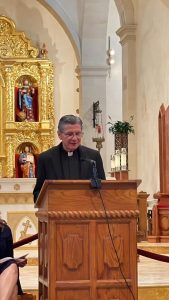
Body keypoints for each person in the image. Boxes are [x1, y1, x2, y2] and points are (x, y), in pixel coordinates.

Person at [33, 114, 106, 202]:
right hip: (57, 211)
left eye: (78, 133)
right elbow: (38, 193)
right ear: (59, 135)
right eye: (69, 134)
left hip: (86, 211)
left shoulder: (93, 157)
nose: (75, 138)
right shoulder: (46, 158)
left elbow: (103, 189)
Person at [0, 218, 27, 300]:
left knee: (12, 267)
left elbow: (9, 257)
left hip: (3, 270)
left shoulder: (5, 229)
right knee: (13, 290)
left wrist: (17, 261)